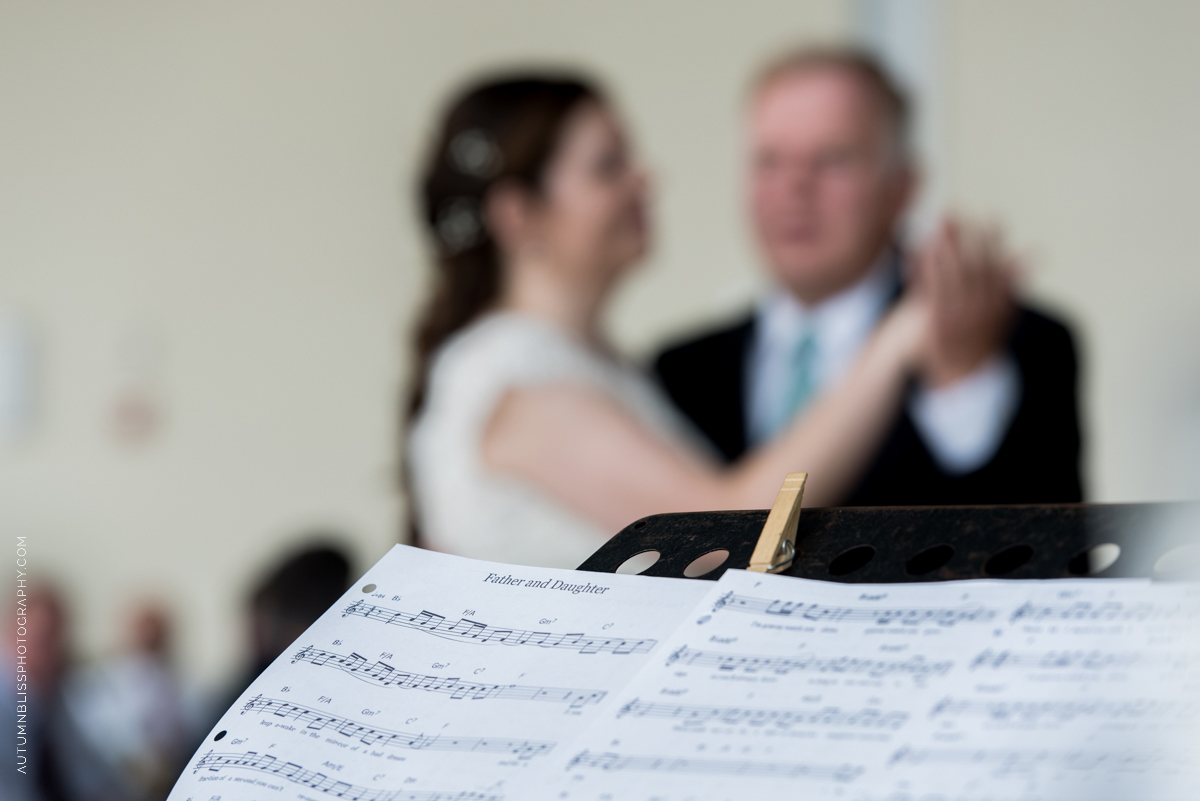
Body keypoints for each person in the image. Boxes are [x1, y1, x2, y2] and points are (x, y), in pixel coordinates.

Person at [404, 74, 1002, 569]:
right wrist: (897, 340)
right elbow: (731, 530)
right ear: (518, 215)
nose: (644, 178)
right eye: (608, 166)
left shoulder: (615, 369)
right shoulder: (519, 384)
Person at [654, 48, 1083, 506]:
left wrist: (964, 385)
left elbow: (1047, 553)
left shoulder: (1017, 339)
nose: (795, 186)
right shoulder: (681, 371)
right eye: (769, 161)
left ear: (901, 188)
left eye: (832, 159)